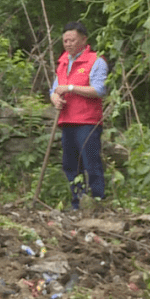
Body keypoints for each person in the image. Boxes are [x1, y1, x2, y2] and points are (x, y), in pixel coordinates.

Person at [49, 21, 108, 210]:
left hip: (87, 121)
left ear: (83, 39)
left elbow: (99, 89)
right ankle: (77, 204)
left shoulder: (95, 61)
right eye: (65, 40)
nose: (68, 44)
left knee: (91, 164)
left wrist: (71, 88)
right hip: (66, 120)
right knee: (70, 165)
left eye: (72, 40)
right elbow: (54, 88)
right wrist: (54, 98)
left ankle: (97, 202)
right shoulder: (63, 62)